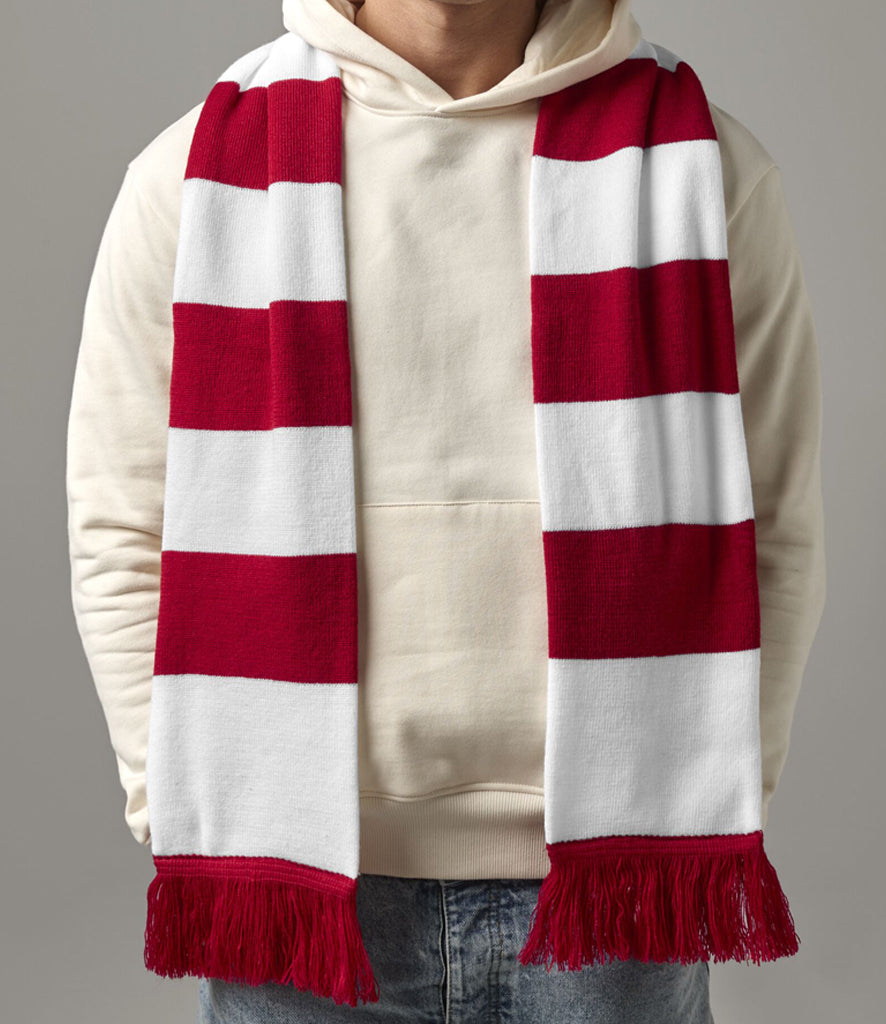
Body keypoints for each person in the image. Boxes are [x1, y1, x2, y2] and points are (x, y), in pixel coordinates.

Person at [65, 1, 827, 1021]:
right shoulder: (192, 177)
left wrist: (704, 793)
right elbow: (121, 525)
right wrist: (183, 807)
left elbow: (775, 521)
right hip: (296, 882)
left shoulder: (704, 172)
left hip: (615, 890)